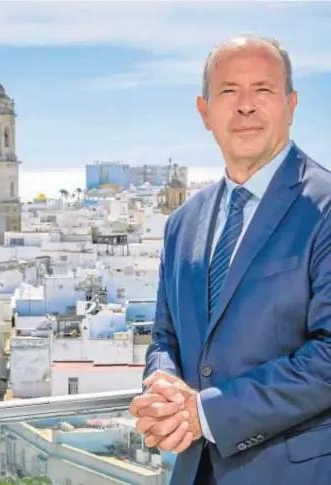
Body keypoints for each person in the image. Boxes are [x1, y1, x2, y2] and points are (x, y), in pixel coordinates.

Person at [129, 34, 331, 485]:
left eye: (263, 90)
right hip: (194, 472)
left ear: (291, 105)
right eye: (228, 91)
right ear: (205, 112)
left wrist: (204, 413)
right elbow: (165, 337)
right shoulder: (183, 223)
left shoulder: (325, 207)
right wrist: (163, 387)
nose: (245, 106)